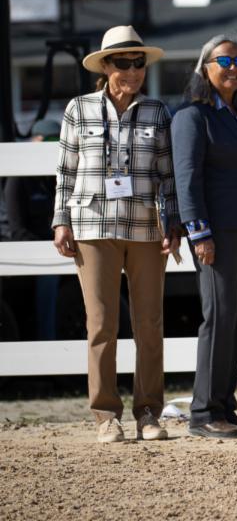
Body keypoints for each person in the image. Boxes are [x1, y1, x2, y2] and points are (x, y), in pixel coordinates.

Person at [51, 26, 179, 443]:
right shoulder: (78, 109)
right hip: (92, 226)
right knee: (102, 324)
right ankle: (106, 415)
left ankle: (149, 412)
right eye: (124, 63)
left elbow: (169, 177)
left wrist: (173, 223)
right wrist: (61, 220)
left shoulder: (158, 112)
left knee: (150, 324)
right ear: (105, 66)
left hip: (146, 228)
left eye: (139, 63)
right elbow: (65, 171)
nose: (133, 71)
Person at [172, 33, 237, 439]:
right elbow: (187, 179)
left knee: (234, 317)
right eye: (225, 61)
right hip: (215, 231)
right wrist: (199, 232)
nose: (234, 68)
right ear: (206, 67)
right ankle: (203, 412)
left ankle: (224, 406)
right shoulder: (193, 117)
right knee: (218, 317)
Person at [7, 118, 63, 340]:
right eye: (48, 141)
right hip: (30, 249)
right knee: (49, 278)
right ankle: (47, 340)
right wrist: (46, 249)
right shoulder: (18, 178)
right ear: (35, 141)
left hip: (57, 246)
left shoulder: (54, 178)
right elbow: (17, 230)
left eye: (57, 141)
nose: (53, 147)